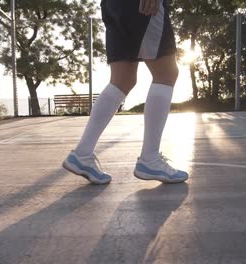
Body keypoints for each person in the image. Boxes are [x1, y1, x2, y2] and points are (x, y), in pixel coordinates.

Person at [62, 0, 188, 184]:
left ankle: (82, 154)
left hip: (114, 5)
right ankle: (150, 159)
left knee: (123, 79)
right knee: (166, 73)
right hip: (140, 5)